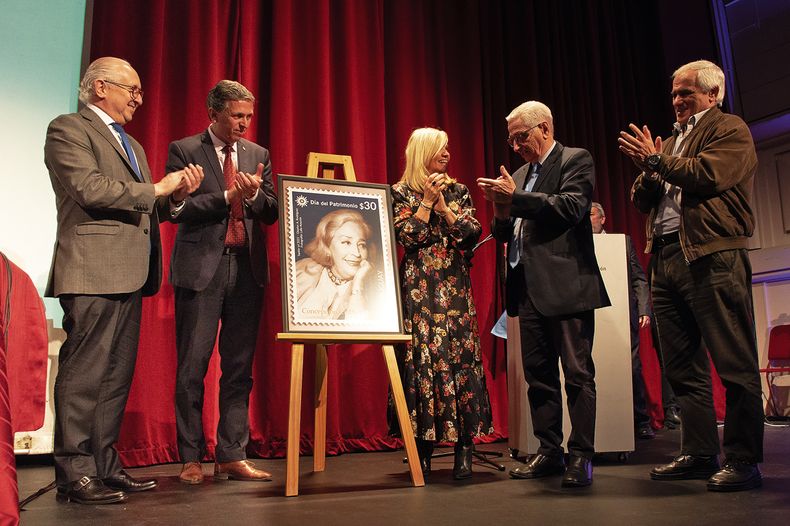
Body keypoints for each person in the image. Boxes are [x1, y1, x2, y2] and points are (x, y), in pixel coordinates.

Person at [45, 57, 203, 504]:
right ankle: (73, 473)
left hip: (131, 270)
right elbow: (89, 187)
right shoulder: (67, 129)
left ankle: (103, 464)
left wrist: (175, 198)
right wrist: (156, 189)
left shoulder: (131, 142)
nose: (138, 97)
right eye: (130, 89)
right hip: (92, 268)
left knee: (115, 376)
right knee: (84, 374)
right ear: (99, 88)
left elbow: (146, 205)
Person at [619, 59, 764, 492]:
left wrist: (657, 160)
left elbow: (709, 175)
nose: (678, 101)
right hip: (664, 259)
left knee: (734, 364)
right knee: (681, 366)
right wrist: (651, 166)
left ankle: (743, 459)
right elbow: (641, 200)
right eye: (675, 94)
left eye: (687, 93)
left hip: (712, 257)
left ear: (712, 94)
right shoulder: (673, 140)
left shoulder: (729, 129)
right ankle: (700, 452)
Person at [478, 101, 610, 488]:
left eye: (522, 136)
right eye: (511, 140)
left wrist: (514, 198)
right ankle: (549, 450)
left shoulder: (574, 159)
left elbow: (571, 207)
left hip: (567, 285)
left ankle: (582, 455)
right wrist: (502, 212)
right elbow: (504, 234)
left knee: (577, 374)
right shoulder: (518, 174)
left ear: (545, 129)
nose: (516, 146)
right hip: (526, 287)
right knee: (539, 376)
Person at [167, 80, 278, 485]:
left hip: (246, 270)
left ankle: (232, 454)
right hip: (202, 270)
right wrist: (228, 195)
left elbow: (270, 213)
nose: (244, 124)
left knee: (238, 368)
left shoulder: (257, 154)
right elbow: (175, 208)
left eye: (248, 115)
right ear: (213, 113)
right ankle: (191, 457)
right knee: (192, 367)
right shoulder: (185, 150)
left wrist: (251, 198)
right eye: (237, 115)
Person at [392, 127, 493, 480]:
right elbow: (407, 236)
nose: (448, 154)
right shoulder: (400, 192)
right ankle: (422, 449)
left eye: (449, 148)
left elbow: (470, 234)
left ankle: (464, 449)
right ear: (423, 153)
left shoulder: (458, 191)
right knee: (423, 363)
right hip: (419, 287)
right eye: (440, 149)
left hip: (454, 287)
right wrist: (423, 205)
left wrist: (444, 208)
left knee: (459, 360)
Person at [589, 202, 655, 440]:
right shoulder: (578, 245)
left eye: (592, 215)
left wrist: (644, 308)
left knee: (631, 367)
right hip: (591, 316)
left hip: (622, 316)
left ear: (603, 218)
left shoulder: (622, 242)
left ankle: (641, 421)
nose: (588, 220)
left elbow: (638, 277)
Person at [295, 210, 375, 320]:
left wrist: (358, 285)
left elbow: (362, 330)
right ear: (327, 246)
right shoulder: (301, 269)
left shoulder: (374, 286)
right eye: (346, 242)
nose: (356, 253)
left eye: (361, 245)